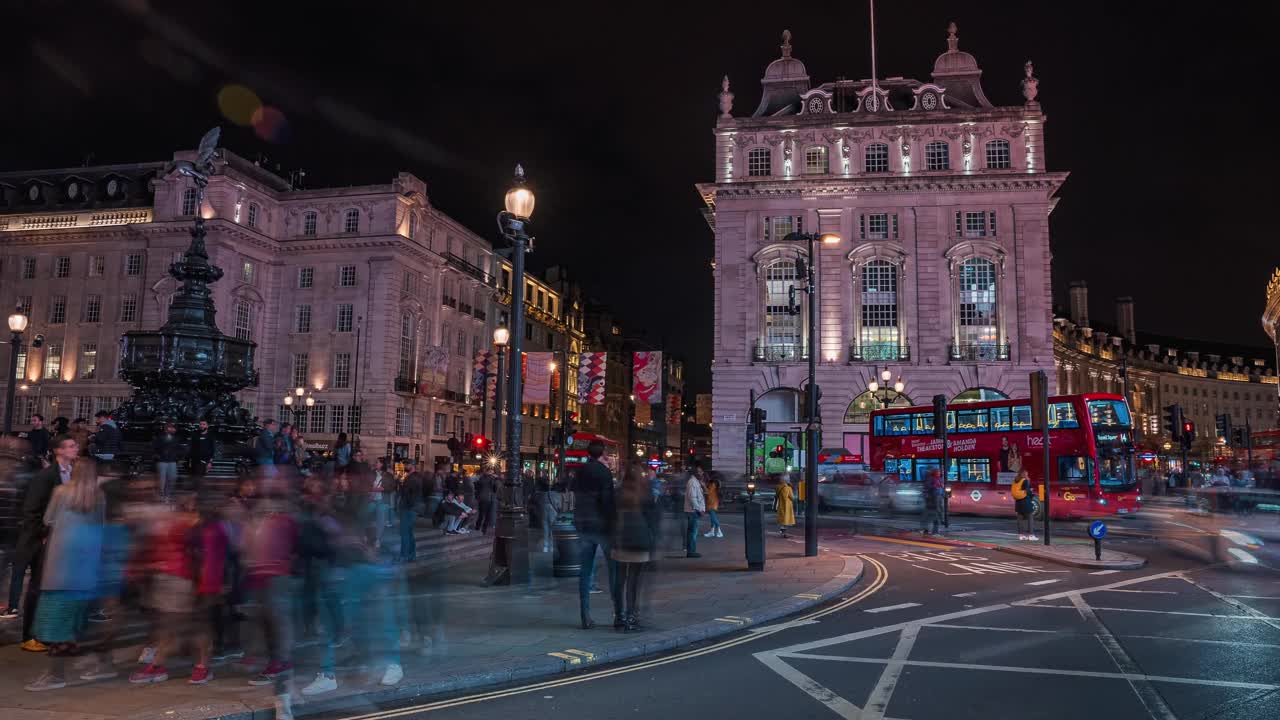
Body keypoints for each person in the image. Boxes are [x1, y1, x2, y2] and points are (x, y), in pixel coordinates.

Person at [23, 458, 106, 692]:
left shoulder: (61, 492)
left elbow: (48, 519)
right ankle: (99, 663)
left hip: (60, 567)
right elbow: (101, 526)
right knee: (77, 622)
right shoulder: (98, 496)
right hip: (86, 568)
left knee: (55, 625)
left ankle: (55, 675)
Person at [8, 435, 79, 647]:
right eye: (71, 446)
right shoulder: (46, 476)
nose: (76, 448)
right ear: (59, 451)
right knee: (37, 588)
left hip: (61, 541)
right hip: (41, 542)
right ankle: (30, 635)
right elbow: (31, 511)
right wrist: (44, 535)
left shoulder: (72, 475)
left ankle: (48, 631)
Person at [572, 440, 620, 630]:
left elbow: (575, 495)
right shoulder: (604, 472)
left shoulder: (581, 471)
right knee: (614, 570)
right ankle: (618, 613)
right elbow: (607, 502)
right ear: (603, 454)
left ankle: (585, 616)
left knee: (585, 572)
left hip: (584, 525)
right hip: (602, 526)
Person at [612, 462, 658, 633]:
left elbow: (610, 516)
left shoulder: (617, 492)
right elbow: (652, 520)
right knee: (634, 582)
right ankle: (632, 617)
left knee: (620, 580)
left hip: (620, 540)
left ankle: (619, 616)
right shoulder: (645, 494)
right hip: (639, 541)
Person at [398, 461, 423, 561]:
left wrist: (406, 506)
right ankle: (411, 555)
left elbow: (408, 494)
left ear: (412, 466)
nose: (405, 466)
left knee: (405, 532)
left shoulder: (412, 478)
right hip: (412, 508)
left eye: (407, 465)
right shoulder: (415, 477)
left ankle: (404, 555)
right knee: (409, 532)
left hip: (408, 508)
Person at [152, 422, 182, 502]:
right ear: (166, 428)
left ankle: (168, 495)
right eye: (171, 427)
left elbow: (178, 449)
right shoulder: (159, 438)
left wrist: (177, 458)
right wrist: (158, 456)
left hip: (172, 461)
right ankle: (162, 496)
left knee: (172, 478)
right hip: (162, 461)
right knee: (162, 481)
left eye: (174, 428)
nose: (173, 429)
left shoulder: (176, 438)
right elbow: (154, 448)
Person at [684, 469, 706, 558]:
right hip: (693, 511)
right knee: (693, 532)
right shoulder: (692, 482)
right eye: (700, 472)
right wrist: (699, 510)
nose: (702, 473)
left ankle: (691, 551)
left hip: (693, 510)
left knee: (692, 531)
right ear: (695, 473)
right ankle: (691, 551)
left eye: (702, 471)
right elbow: (692, 498)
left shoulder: (696, 482)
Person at [1011, 468, 1037, 541]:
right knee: (1030, 517)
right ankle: (1031, 535)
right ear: (1024, 474)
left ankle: (1021, 535)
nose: (1027, 475)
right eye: (1027, 473)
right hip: (1025, 501)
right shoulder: (1025, 481)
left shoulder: (1015, 480)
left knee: (1020, 519)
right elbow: (1028, 491)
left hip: (1018, 502)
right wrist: (1032, 494)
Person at [189, 419, 217, 484]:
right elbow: (192, 448)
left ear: (207, 426)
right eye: (200, 424)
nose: (202, 426)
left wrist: (210, 462)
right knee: (195, 478)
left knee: (200, 478)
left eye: (204, 424)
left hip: (205, 461)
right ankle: (196, 491)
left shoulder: (210, 436)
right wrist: (190, 460)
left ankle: (200, 491)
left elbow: (212, 449)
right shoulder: (195, 435)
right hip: (195, 460)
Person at [920, 468, 944, 536]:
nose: (939, 473)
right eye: (938, 472)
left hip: (937, 498)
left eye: (939, 472)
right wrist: (936, 487)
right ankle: (933, 531)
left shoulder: (939, 479)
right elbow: (929, 488)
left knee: (932, 515)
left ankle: (927, 529)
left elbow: (941, 487)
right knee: (934, 515)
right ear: (934, 472)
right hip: (933, 499)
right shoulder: (931, 479)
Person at [702, 472, 723, 539]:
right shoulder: (712, 484)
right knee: (712, 518)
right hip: (712, 502)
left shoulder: (713, 484)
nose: (706, 478)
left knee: (713, 517)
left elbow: (708, 492)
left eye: (708, 477)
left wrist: (703, 486)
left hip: (712, 503)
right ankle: (712, 531)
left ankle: (719, 531)